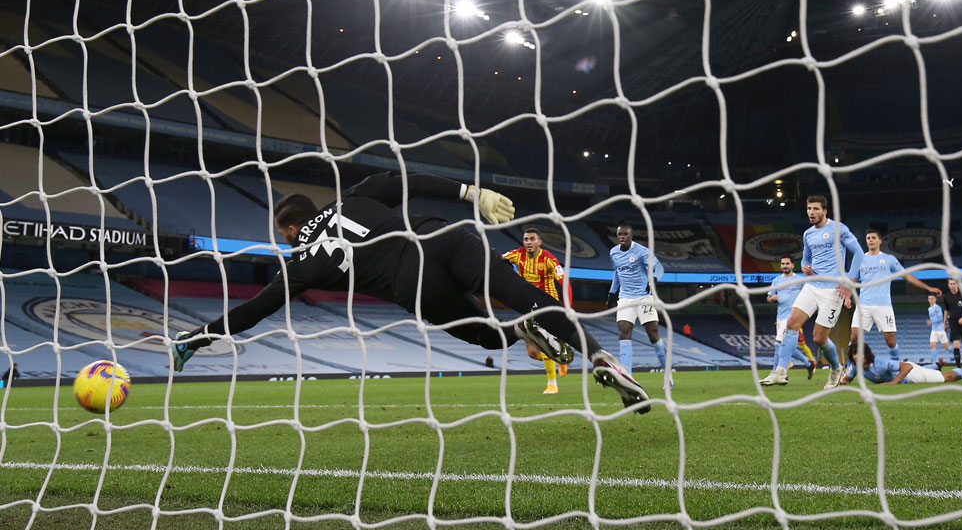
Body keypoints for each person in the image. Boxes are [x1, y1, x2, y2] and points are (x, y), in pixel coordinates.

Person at [172, 172, 651, 413]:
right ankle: (598, 356)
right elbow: (408, 179)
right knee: (519, 288)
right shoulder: (354, 196)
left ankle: (515, 334)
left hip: (415, 285)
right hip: (439, 237)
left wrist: (198, 337)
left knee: (486, 336)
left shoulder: (302, 259)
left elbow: (257, 308)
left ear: (292, 228)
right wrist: (471, 193)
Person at [763, 195, 864, 389]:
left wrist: (848, 281)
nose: (811, 212)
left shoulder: (839, 229)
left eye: (815, 209)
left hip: (833, 290)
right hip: (811, 286)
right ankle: (780, 371)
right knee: (792, 324)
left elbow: (858, 253)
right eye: (809, 208)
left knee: (819, 338)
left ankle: (836, 368)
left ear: (824, 211)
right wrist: (805, 267)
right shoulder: (808, 234)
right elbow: (805, 259)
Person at [848, 228, 942, 361]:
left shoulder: (888, 259)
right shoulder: (860, 259)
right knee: (854, 336)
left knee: (890, 340)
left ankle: (896, 363)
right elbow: (853, 281)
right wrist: (847, 295)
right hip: (864, 304)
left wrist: (928, 287)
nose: (870, 240)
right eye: (868, 238)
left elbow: (907, 277)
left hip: (883, 305)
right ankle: (849, 368)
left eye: (873, 238)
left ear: (880, 241)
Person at [503, 228, 572, 394]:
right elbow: (497, 260)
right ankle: (558, 358)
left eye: (532, 239)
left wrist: (568, 307)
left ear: (539, 242)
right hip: (527, 306)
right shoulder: (517, 255)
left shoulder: (549, 259)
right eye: (526, 239)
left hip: (548, 305)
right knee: (533, 353)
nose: (528, 242)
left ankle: (552, 384)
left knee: (543, 343)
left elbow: (565, 282)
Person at [606, 223, 671, 387]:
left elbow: (659, 268)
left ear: (631, 236)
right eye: (620, 234)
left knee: (653, 335)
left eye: (625, 234)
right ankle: (628, 377)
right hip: (625, 298)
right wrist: (612, 292)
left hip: (644, 298)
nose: (622, 237)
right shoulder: (613, 252)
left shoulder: (642, 252)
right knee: (624, 331)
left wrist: (654, 279)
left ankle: (667, 374)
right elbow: (617, 272)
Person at [762, 256, 817, 385]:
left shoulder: (800, 280)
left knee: (778, 344)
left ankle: (776, 373)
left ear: (792, 265)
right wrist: (772, 298)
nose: (785, 266)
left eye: (787, 263)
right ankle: (807, 363)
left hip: (793, 317)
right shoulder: (776, 281)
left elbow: (811, 291)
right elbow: (768, 298)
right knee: (785, 347)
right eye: (783, 264)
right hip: (780, 317)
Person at [843, 342, 962, 385]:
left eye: (860, 353)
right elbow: (847, 379)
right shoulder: (857, 367)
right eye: (854, 354)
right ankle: (935, 365)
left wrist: (893, 383)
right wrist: (838, 382)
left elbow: (907, 367)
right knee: (931, 371)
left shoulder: (880, 363)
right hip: (911, 372)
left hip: (911, 375)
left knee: (948, 378)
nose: (857, 357)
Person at [943, 278, 962, 367]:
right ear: (948, 285)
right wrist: (944, 323)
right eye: (950, 284)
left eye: (954, 284)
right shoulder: (947, 297)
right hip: (953, 322)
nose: (952, 286)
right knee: (956, 344)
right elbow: (946, 310)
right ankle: (958, 367)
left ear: (957, 284)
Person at [926, 294, 950, 365]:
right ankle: (934, 362)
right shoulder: (929, 309)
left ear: (935, 299)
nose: (930, 300)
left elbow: (940, 319)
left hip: (940, 330)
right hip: (934, 330)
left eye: (932, 298)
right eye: (929, 298)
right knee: (932, 345)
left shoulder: (937, 308)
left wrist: (931, 322)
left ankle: (960, 355)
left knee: (946, 347)